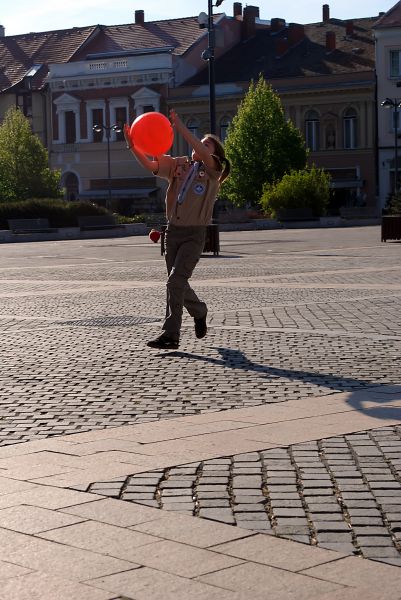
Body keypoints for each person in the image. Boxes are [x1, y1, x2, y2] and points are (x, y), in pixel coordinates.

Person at [124, 109, 230, 350]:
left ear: (214, 153)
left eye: (207, 144)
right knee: (177, 284)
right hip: (173, 233)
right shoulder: (179, 165)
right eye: (200, 142)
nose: (201, 146)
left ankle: (170, 335)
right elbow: (150, 163)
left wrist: (181, 128)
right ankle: (199, 310)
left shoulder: (213, 170)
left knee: (175, 282)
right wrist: (132, 145)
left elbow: (203, 153)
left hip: (195, 234)